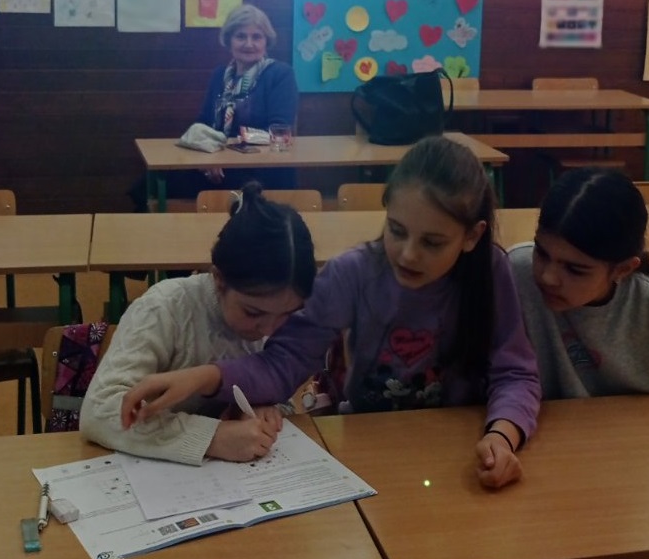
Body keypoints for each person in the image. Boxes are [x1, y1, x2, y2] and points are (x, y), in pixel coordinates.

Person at [121, 136, 542, 489]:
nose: (408, 254)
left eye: (433, 243)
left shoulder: (490, 271)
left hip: (457, 450)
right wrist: (204, 376)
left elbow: (516, 372)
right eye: (396, 230)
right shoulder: (353, 273)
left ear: (471, 237)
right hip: (366, 449)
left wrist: (502, 436)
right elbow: (284, 363)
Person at [498, 168, 649, 559]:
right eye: (543, 253)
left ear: (623, 269)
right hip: (536, 478)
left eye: (575, 269)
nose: (548, 276)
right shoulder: (515, 273)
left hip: (630, 495)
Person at [80, 182, 317, 465]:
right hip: (152, 473)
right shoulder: (165, 308)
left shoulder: (283, 316)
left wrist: (264, 408)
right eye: (252, 313)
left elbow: (282, 390)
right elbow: (99, 411)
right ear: (219, 280)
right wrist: (212, 437)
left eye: (287, 314)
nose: (269, 329)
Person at [127, 3, 298, 211]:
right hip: (217, 165)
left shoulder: (280, 74)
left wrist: (221, 156)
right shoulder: (220, 75)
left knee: (160, 186)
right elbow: (203, 123)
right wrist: (204, 158)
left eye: (257, 37)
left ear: (266, 41)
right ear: (229, 40)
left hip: (261, 169)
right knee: (150, 184)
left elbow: (279, 131)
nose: (249, 44)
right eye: (241, 36)